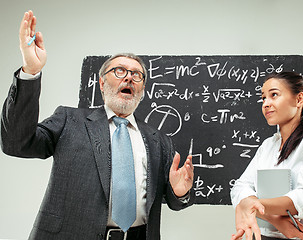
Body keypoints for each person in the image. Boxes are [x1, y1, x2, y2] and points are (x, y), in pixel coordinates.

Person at [0, 10, 194, 240]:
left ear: (142, 90)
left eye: (137, 75)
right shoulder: (69, 121)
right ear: (102, 83)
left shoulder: (159, 141)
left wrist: (179, 192)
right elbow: (16, 143)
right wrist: (30, 72)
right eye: (119, 71)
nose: (129, 77)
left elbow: (174, 202)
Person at [230, 72, 303, 240]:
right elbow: (239, 188)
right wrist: (274, 219)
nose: (266, 104)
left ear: (299, 99)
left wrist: (250, 205)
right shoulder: (268, 145)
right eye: (263, 98)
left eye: (274, 95)